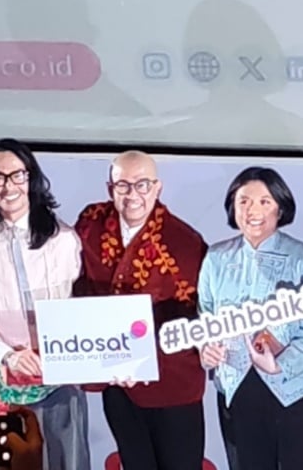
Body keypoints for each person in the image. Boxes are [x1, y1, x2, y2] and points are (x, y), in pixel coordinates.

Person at [0, 138, 90, 470]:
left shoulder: (65, 239)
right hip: (1, 379)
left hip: (60, 377)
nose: (8, 186)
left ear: (31, 178)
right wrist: (8, 354)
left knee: (67, 463)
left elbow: (85, 305)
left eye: (17, 175)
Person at [73, 150, 208, 470]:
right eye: (123, 185)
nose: (133, 194)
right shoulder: (91, 225)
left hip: (173, 383)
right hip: (117, 383)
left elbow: (202, 314)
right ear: (110, 189)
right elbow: (76, 286)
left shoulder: (185, 242)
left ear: (158, 188)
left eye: (142, 184)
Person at [198, 167, 303, 470]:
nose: (253, 210)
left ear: (280, 208)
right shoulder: (216, 258)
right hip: (236, 390)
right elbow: (204, 318)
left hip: (292, 392)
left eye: (264, 201)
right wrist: (206, 349)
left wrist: (279, 364)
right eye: (243, 201)